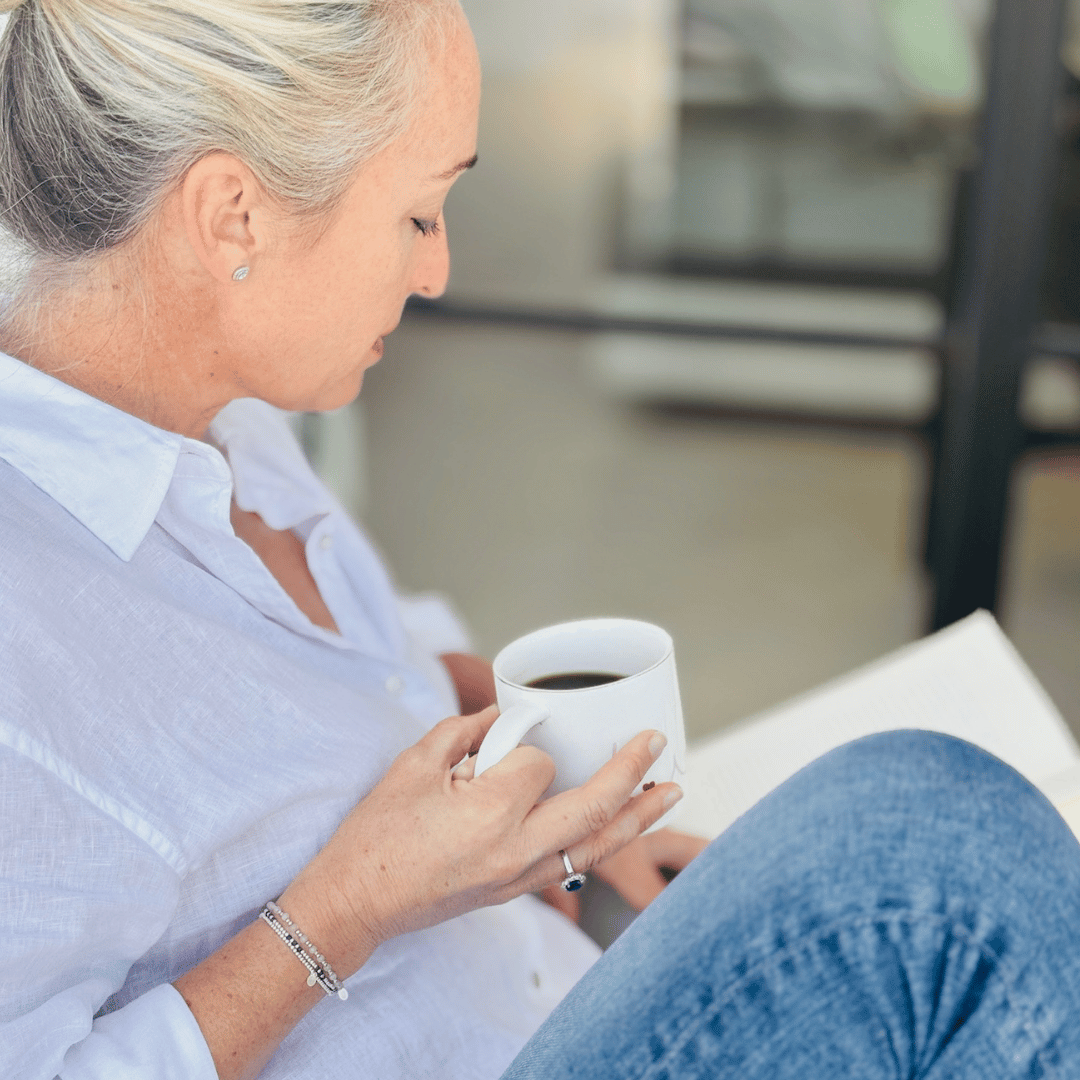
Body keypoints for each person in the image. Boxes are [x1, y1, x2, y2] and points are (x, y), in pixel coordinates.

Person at [0, 3, 1078, 1080]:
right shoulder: (27, 636)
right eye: (421, 216)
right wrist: (350, 906)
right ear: (233, 216)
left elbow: (353, 686)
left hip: (551, 981)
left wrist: (542, 804)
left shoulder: (219, 412)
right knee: (934, 860)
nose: (439, 272)